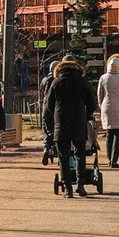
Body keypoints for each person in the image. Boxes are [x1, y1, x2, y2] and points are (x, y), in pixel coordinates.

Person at [44, 56, 96, 197]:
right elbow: (92, 103)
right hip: (79, 121)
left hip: (61, 123)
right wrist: (87, 114)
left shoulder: (56, 82)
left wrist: (55, 116)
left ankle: (67, 188)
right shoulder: (82, 82)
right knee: (80, 154)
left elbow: (49, 105)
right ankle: (80, 185)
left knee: (63, 156)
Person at [97, 55, 119, 167]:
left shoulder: (103, 78)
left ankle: (109, 159)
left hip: (107, 107)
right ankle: (114, 160)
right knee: (118, 135)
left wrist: (102, 106)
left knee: (109, 134)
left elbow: (99, 95)